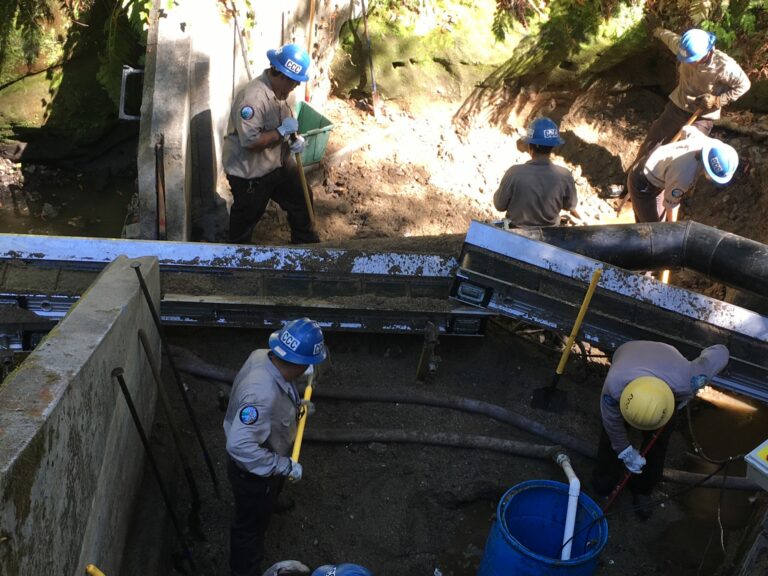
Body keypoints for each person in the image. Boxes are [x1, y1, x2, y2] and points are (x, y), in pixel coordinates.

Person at [224, 318, 327, 576]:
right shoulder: (261, 394)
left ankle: (271, 500)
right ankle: (243, 570)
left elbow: (282, 388)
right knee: (250, 528)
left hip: (268, 453)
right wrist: (282, 465)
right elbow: (240, 446)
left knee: (268, 496)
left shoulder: (263, 356)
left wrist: (295, 406)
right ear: (302, 363)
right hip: (252, 472)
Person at [591, 341, 729, 519]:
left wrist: (684, 397)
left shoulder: (688, 381)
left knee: (659, 442)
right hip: (629, 351)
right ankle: (603, 483)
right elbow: (611, 421)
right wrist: (624, 450)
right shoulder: (614, 385)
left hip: (669, 375)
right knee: (611, 435)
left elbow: (721, 352)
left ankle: (643, 488)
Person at [222, 43, 320, 245]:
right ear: (282, 75)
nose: (297, 87)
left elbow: (285, 121)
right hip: (250, 172)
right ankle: (236, 258)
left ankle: (306, 247)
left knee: (301, 198)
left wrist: (294, 138)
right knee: (247, 217)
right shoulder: (253, 98)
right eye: (295, 82)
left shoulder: (281, 92)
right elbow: (250, 141)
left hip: (278, 162)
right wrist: (281, 132)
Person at [630, 27, 750, 167]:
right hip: (678, 105)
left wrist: (718, 100)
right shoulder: (685, 49)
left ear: (705, 53)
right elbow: (670, 38)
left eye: (691, 60)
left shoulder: (724, 67)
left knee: (682, 158)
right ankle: (631, 179)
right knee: (653, 142)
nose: (687, 62)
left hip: (702, 117)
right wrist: (656, 30)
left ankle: (660, 187)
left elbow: (744, 85)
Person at [627, 126, 738, 222]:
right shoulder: (684, 175)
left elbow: (687, 130)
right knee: (653, 231)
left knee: (656, 224)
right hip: (642, 182)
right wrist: (673, 229)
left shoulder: (711, 145)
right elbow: (671, 205)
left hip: (657, 168)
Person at [493, 117, 581, 227]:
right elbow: (570, 205)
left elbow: (499, 205)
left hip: (515, 234)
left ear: (530, 146)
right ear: (552, 147)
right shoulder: (564, 176)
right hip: (550, 237)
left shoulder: (514, 173)